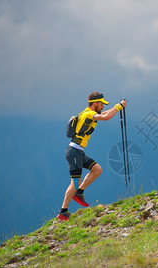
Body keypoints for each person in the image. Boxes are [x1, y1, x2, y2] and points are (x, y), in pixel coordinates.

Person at [57, 92, 127, 221]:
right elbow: (106, 118)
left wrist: (118, 106)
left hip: (78, 151)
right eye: (102, 104)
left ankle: (79, 193)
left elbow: (104, 114)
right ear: (95, 103)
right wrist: (119, 107)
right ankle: (63, 212)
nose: (103, 107)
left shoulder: (89, 114)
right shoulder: (88, 114)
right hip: (74, 152)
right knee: (75, 182)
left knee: (97, 169)